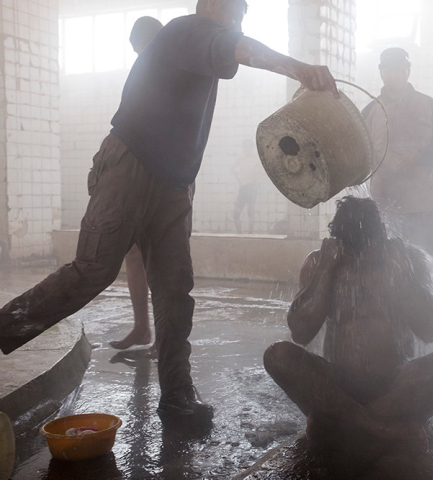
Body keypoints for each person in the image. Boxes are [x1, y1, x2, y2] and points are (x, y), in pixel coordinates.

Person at [0, 0, 337, 421]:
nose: (241, 20)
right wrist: (301, 69)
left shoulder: (201, 47)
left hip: (173, 183)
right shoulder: (186, 30)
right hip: (131, 163)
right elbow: (241, 47)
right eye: (237, 11)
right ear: (213, 6)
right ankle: (4, 329)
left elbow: (231, 48)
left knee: (175, 288)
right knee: (94, 270)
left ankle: (177, 393)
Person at [263, 196, 433, 466]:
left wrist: (402, 274)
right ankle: (382, 430)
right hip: (338, 386)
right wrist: (327, 268)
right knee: (277, 355)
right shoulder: (320, 263)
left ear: (383, 235)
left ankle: (343, 427)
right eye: (352, 251)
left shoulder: (406, 259)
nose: (361, 259)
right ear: (337, 243)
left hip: (398, 387)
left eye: (370, 249)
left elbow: (430, 329)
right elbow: (301, 333)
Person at [361, 47, 433, 257]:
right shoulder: (371, 111)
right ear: (380, 72)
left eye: (398, 69)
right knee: (387, 263)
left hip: (422, 203)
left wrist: (418, 157)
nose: (393, 74)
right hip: (385, 206)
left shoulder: (427, 104)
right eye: (388, 69)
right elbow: (359, 153)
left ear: (408, 71)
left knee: (426, 261)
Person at [108, 16, 163, 354]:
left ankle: (166, 337)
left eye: (140, 48)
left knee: (162, 256)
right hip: (140, 170)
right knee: (134, 253)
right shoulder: (144, 72)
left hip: (165, 176)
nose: (138, 55)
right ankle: (142, 327)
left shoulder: (169, 68)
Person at [233, 138, 262, 234]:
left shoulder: (256, 158)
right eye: (244, 147)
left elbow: (263, 172)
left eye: (248, 147)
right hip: (243, 187)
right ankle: (239, 234)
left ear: (251, 148)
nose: (246, 149)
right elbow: (232, 169)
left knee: (250, 211)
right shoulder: (241, 157)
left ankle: (250, 234)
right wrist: (238, 180)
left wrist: (257, 180)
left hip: (252, 188)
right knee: (236, 212)